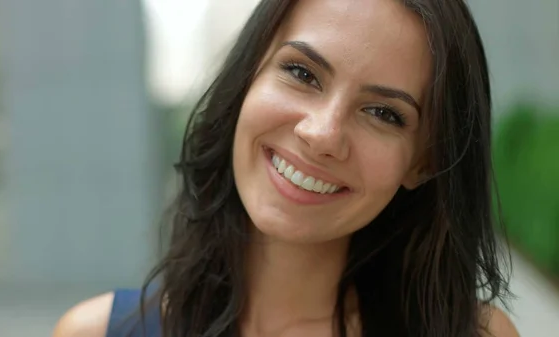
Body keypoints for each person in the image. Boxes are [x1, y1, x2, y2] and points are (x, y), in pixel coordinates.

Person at [53, 0, 520, 336]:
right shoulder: (93, 332)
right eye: (302, 73)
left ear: (424, 162)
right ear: (247, 78)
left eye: (383, 113)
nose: (322, 134)